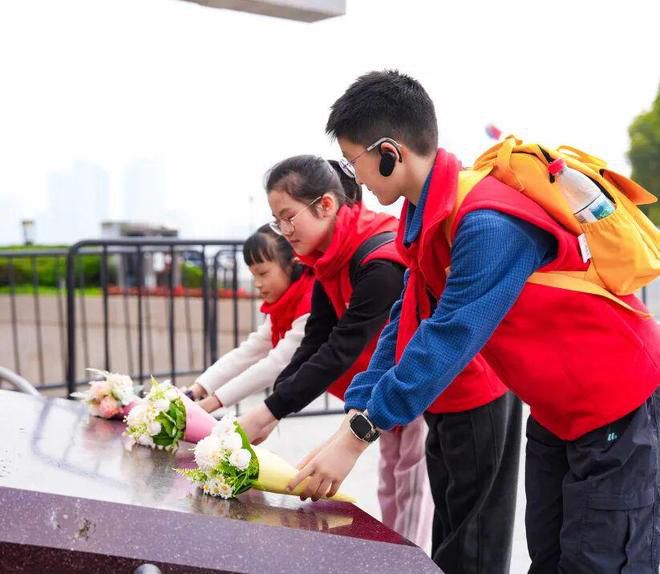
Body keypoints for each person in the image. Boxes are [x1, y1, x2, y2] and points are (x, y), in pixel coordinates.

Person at [290, 69, 660, 574]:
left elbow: (449, 335)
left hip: (616, 401)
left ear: (389, 153)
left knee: (600, 561)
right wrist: (355, 416)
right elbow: (407, 319)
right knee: (550, 557)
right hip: (556, 411)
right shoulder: (432, 218)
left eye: (353, 163)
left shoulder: (487, 222)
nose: (354, 179)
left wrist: (359, 435)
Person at [238, 156, 433, 548]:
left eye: (288, 217)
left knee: (412, 486)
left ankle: (407, 561)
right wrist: (274, 408)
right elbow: (316, 338)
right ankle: (393, 558)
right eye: (277, 221)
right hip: (384, 386)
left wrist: (270, 410)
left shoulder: (378, 262)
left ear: (325, 204)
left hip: (420, 380)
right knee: (391, 481)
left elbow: (341, 348)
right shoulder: (328, 258)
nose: (284, 231)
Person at [187, 224, 315, 412]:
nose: (257, 284)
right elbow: (250, 351)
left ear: (293, 263)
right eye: (253, 275)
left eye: (263, 273)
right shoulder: (282, 306)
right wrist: (196, 390)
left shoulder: (311, 301)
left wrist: (211, 403)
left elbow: (277, 363)